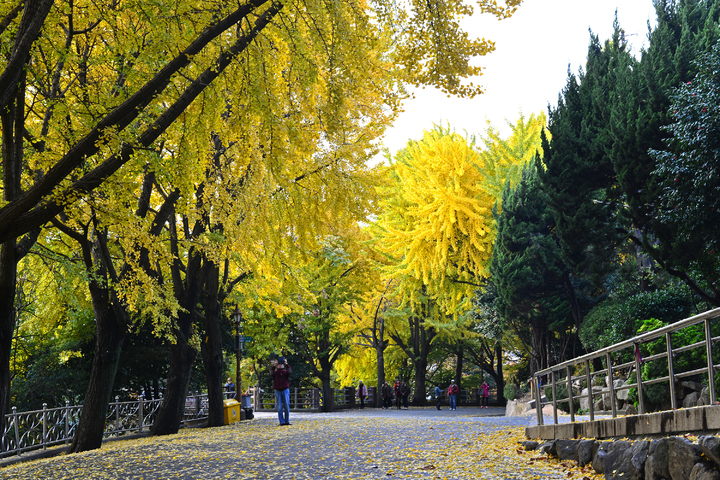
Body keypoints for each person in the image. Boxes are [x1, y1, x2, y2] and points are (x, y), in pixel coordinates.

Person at [270, 356, 292, 426]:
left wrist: (286, 364)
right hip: (278, 390)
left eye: (281, 364)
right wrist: (274, 365)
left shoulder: (285, 372)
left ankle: (287, 421)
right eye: (279, 364)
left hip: (285, 389)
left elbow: (289, 371)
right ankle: (281, 421)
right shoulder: (275, 373)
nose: (280, 365)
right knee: (279, 407)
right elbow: (271, 373)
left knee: (286, 406)